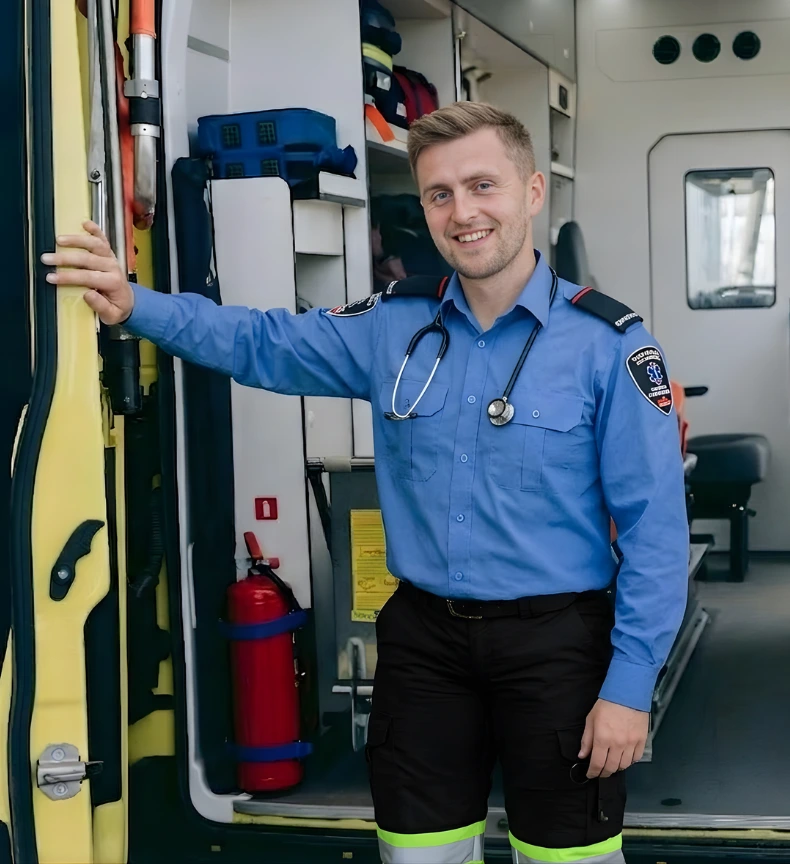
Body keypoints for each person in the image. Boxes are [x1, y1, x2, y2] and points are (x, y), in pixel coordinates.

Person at [43, 101, 689, 864]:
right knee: (417, 854)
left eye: (483, 186)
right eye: (439, 194)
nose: (463, 212)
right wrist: (135, 304)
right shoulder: (394, 324)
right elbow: (263, 343)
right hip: (426, 643)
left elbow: (654, 533)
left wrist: (628, 684)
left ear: (533, 192)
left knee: (568, 859)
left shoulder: (609, 346)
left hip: (556, 643)